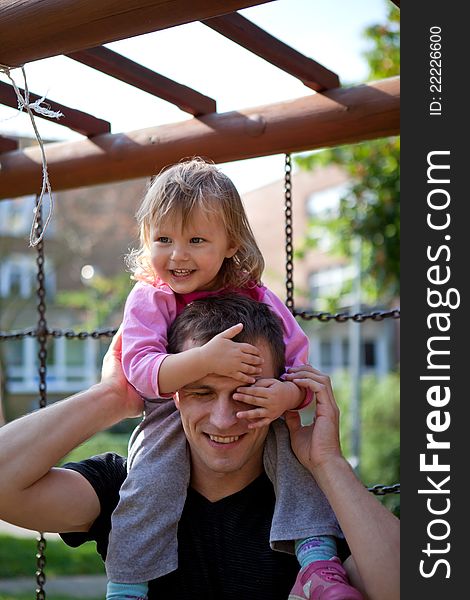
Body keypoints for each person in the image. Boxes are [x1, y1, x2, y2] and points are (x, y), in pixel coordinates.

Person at [0, 295, 400, 599]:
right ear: (173, 395)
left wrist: (327, 462)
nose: (223, 419)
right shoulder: (130, 488)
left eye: (248, 394)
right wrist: (113, 397)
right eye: (201, 392)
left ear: (280, 391)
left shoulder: (310, 502)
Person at [108, 157, 360, 599]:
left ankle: (318, 562)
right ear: (146, 239)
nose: (177, 255)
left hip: (258, 404)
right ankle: (128, 584)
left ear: (230, 244)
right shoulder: (152, 297)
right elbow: (145, 373)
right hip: (175, 411)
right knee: (146, 484)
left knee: (297, 461)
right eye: (163, 239)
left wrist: (285, 397)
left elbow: (299, 365)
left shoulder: (257, 297)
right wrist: (205, 361)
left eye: (196, 239)